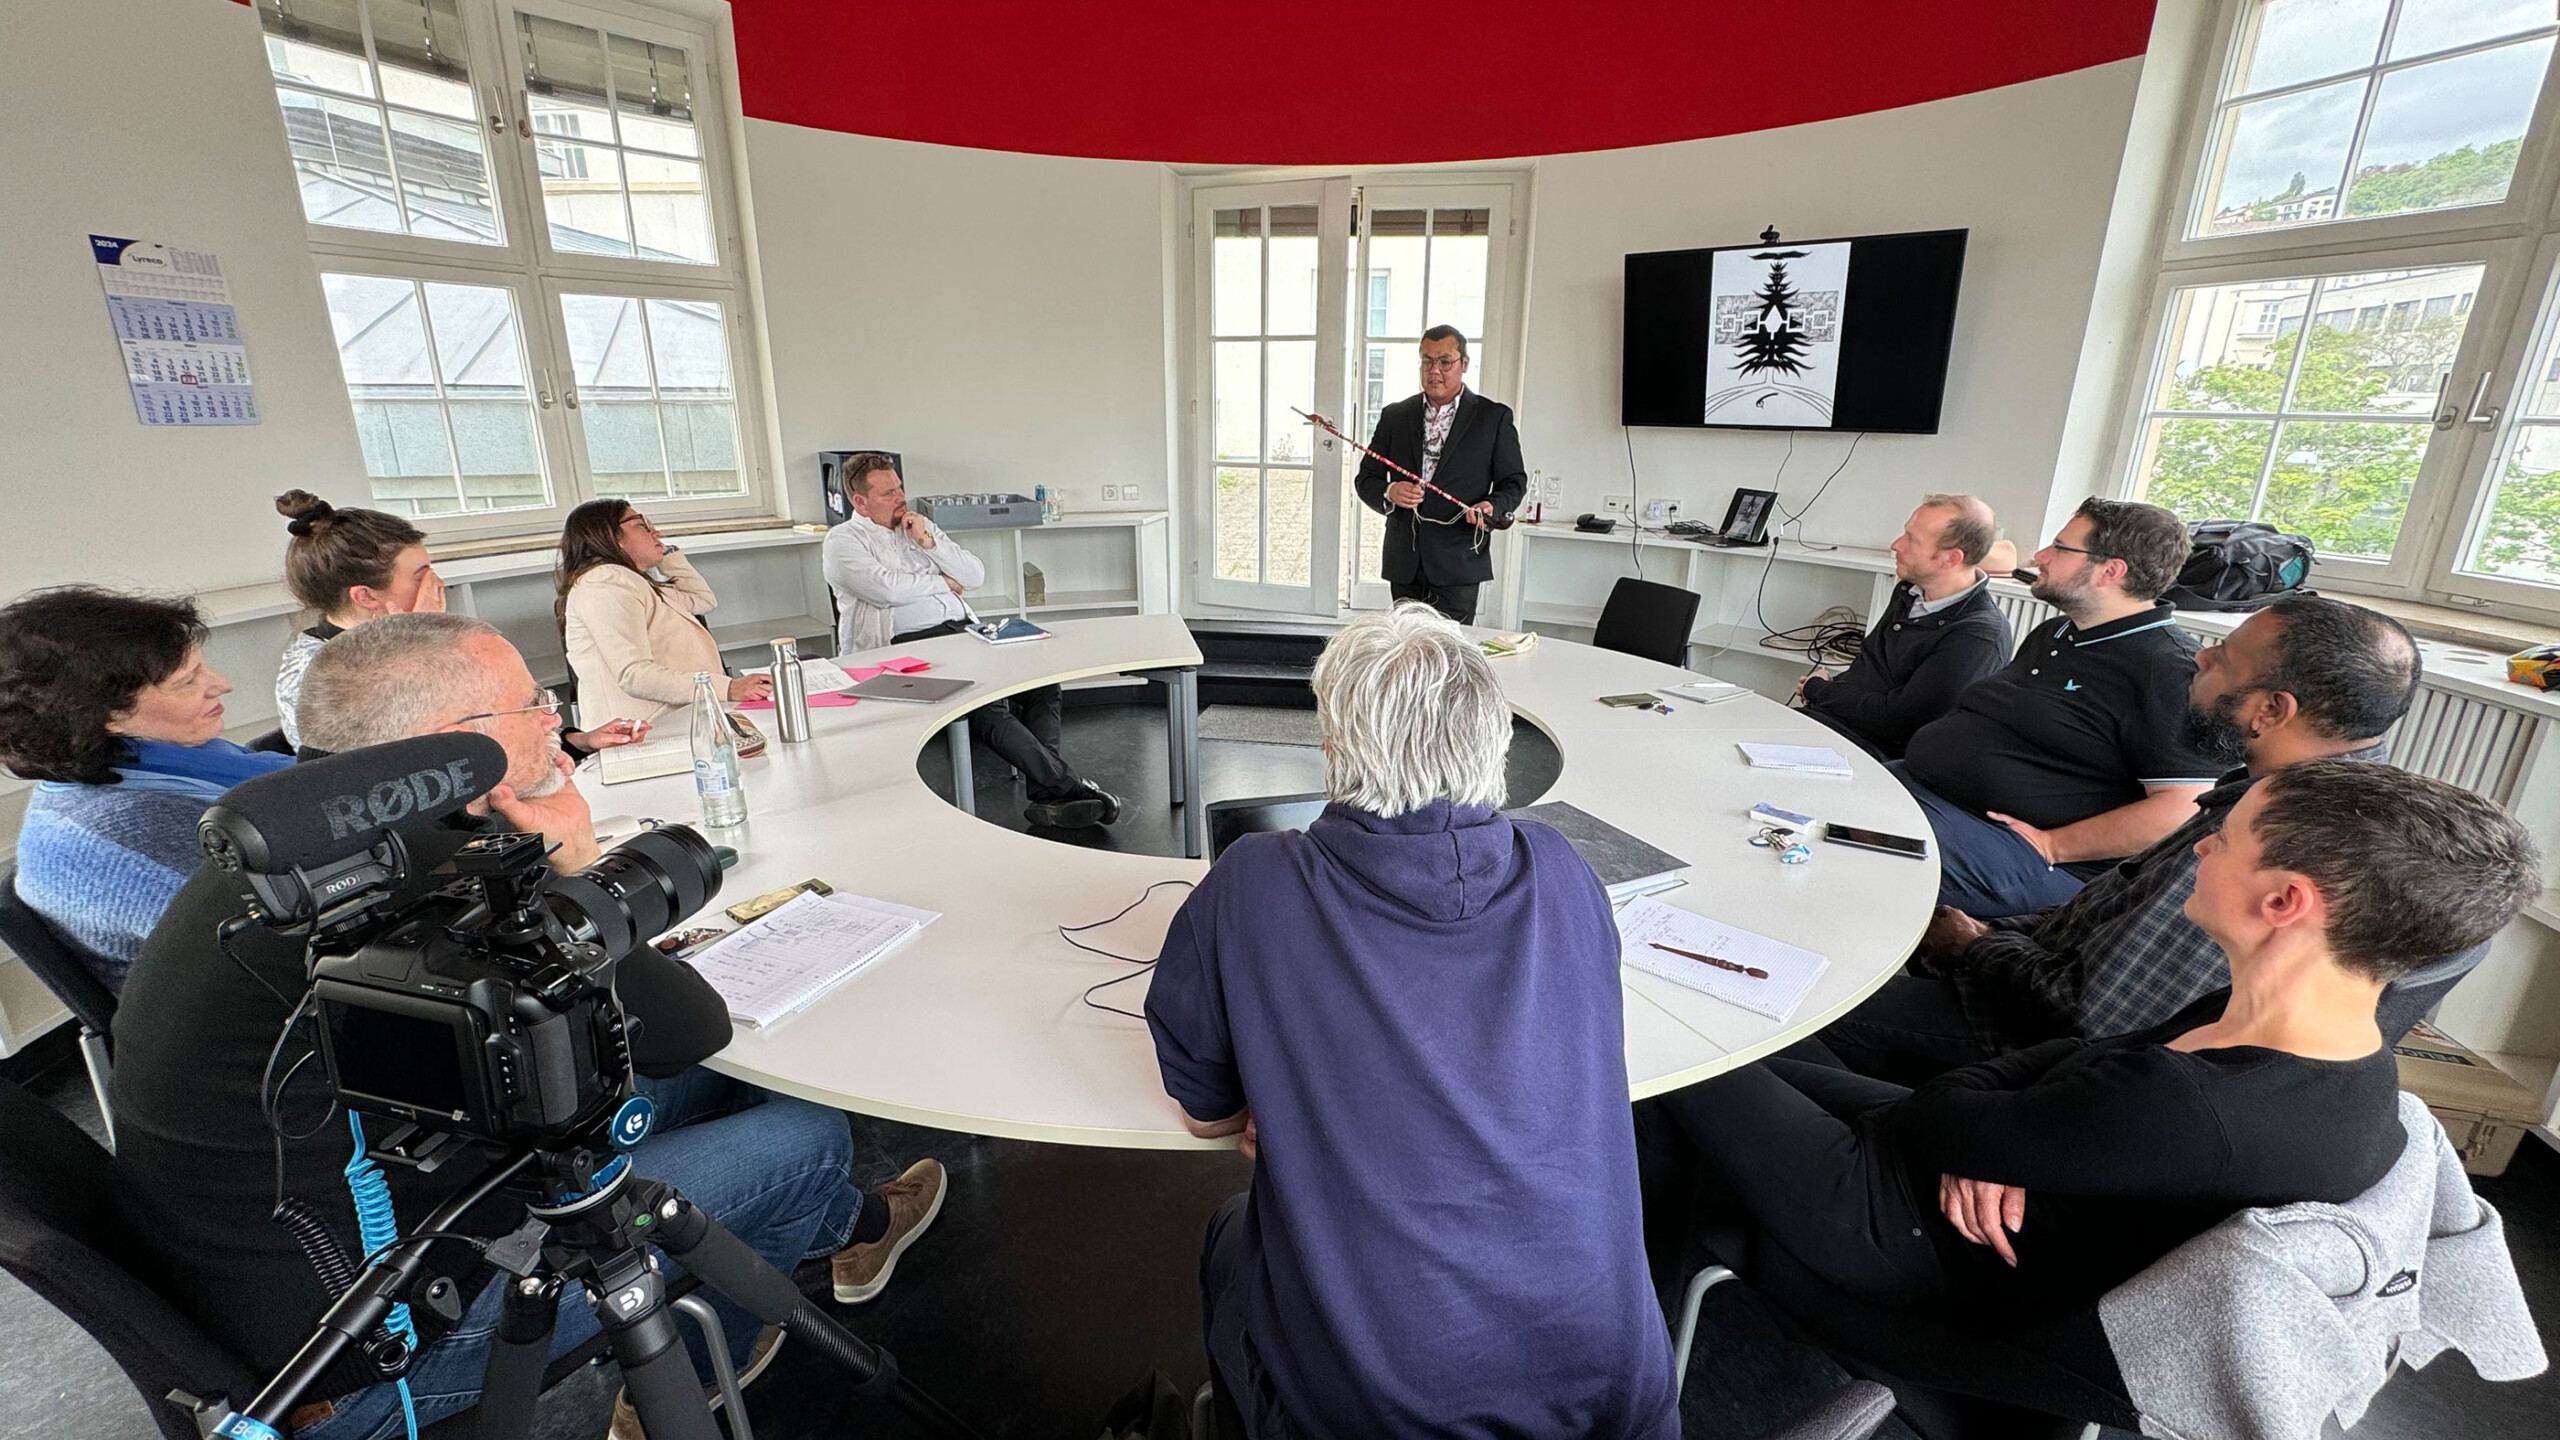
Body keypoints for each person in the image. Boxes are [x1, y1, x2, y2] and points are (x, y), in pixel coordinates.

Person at [110, 614, 947, 1440]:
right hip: (369, 1350)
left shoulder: (305, 847)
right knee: (807, 1134)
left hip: (284, 1267)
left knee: (719, 1084)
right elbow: (691, 1028)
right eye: (532, 704)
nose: (555, 720)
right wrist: (575, 863)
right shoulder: (441, 875)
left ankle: (844, 1229)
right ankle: (687, 1380)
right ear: (459, 742)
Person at [1643, 760, 2540, 1345]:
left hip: (1899, 1237)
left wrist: (1995, 1131)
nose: (2203, 845)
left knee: (1662, 1038)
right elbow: (2061, 1061)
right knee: (1746, 1054)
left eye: (2226, 840)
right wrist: (2009, 1137)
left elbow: (1945, 1110)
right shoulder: (2306, 1032)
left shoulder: (2196, 1104)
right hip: (1950, 1173)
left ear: (2284, 902)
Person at [1146, 604, 1676, 1439]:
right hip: (1618, 1404)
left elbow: (1205, 1114)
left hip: (1377, 1413)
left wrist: (1296, 1105)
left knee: (1230, 1236)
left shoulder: (1253, 884)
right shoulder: (1566, 870)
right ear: (1495, 741)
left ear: (1335, 747)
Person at [1815, 596, 2421, 1085]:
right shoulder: (2302, 790)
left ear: (2270, 710)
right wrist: (1991, 935)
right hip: (2028, 975)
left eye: (2225, 660)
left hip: (2028, 1044)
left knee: (1805, 1010)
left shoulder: (2267, 836)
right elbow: (2099, 922)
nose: (2202, 656)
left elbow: (2095, 1016)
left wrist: (1974, 948)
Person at [1893, 498, 2221, 918]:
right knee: (1821, 802)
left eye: (2060, 548)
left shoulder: (2170, 671)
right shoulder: (2055, 632)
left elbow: (2183, 808)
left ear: (2111, 571)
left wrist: (2054, 845)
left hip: (2030, 852)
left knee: (1849, 855)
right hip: (1936, 796)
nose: (2040, 556)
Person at [0, 587, 291, 990]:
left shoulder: (155, 765)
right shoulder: (126, 836)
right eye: (187, 681)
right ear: (107, 716)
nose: (222, 684)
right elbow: (284, 953)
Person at [822, 453, 1121, 829]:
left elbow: (975, 575)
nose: (900, 498)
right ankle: (1066, 786)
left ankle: (1049, 792)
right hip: (903, 647)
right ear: (860, 501)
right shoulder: (842, 541)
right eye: (887, 493)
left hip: (964, 632)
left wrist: (928, 542)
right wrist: (942, 582)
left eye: (900, 488)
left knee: (1042, 684)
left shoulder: (918, 526)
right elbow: (885, 590)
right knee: (984, 703)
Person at [1796, 494, 2012, 759]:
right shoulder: (1909, 592)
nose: (1896, 545)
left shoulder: (1978, 635)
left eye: (1912, 540)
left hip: (1871, 755)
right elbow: (1873, 673)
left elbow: (1899, 722)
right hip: (1829, 724)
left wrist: (1819, 690)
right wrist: (1828, 688)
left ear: (1950, 559)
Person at [1351, 326, 1529, 625]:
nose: (1434, 370)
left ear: (1464, 364)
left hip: (1459, 560)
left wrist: (1492, 506)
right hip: (1404, 560)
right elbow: (1366, 479)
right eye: (1427, 361)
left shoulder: (1493, 417)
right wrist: (1390, 491)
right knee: (1407, 645)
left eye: (1445, 362)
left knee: (1450, 647)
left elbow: (1513, 481)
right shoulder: (1395, 415)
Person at [558, 499, 772, 732]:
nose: (656, 532)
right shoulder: (606, 582)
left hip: (676, 720)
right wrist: (727, 688)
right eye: (642, 526)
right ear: (609, 536)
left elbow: (701, 599)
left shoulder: (635, 581)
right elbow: (634, 675)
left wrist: (667, 556)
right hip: (642, 733)